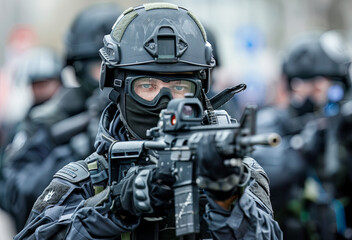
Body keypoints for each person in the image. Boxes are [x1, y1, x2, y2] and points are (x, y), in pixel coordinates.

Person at [15, 3, 282, 239]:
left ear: (200, 91)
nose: (164, 101)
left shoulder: (238, 173)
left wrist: (227, 199)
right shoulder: (85, 180)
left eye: (179, 87)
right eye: (147, 86)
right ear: (117, 88)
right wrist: (114, 206)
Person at [0, 4, 121, 232]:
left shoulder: (146, 113)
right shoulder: (49, 120)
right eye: (100, 68)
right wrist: (79, 154)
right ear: (77, 68)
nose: (110, 78)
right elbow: (16, 195)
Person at [253, 30, 352, 239]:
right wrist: (304, 147)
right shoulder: (271, 121)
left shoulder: (345, 126)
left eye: (330, 84)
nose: (324, 94)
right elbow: (266, 171)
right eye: (315, 85)